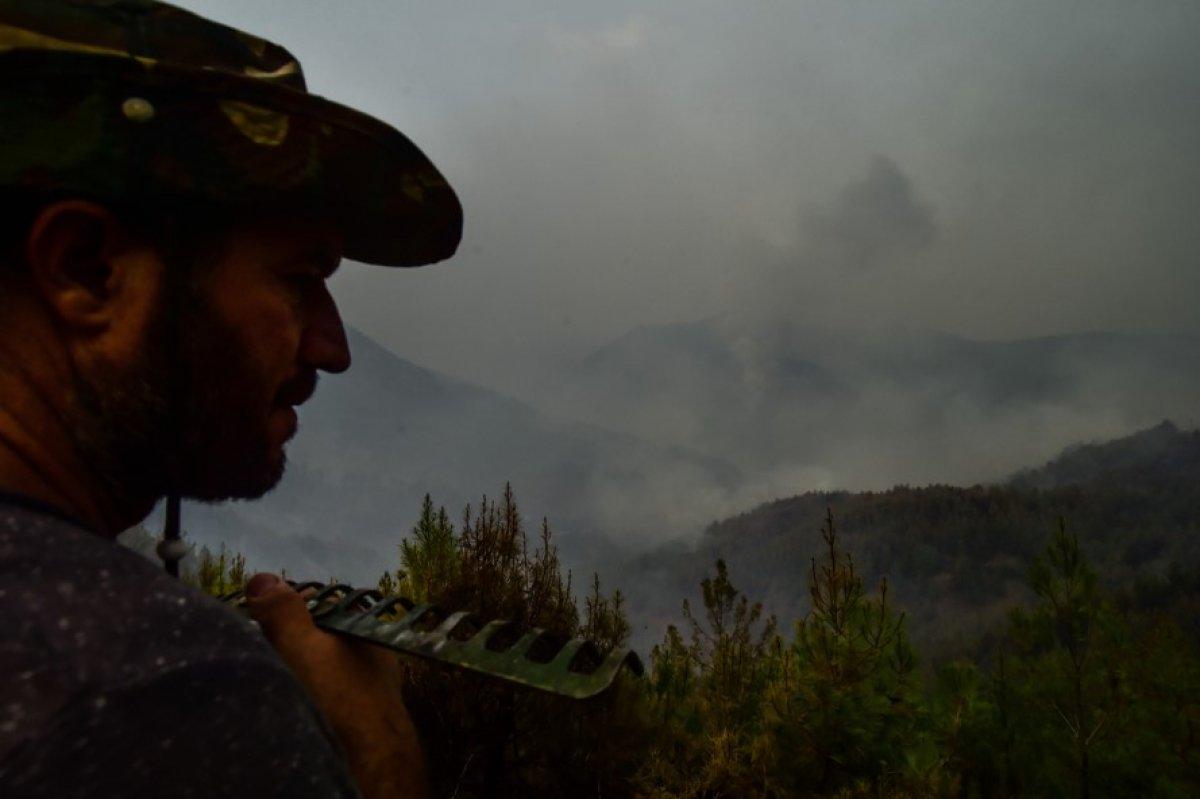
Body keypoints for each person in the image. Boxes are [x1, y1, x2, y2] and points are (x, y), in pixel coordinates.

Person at [0, 0, 462, 796]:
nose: (332, 348)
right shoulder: (154, 693)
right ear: (84, 268)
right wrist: (376, 745)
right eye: (301, 278)